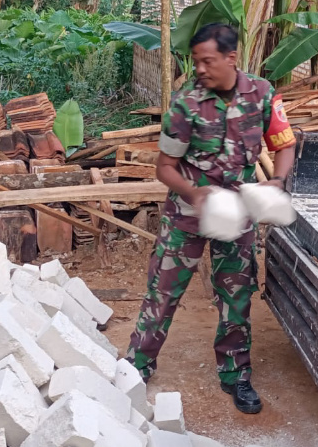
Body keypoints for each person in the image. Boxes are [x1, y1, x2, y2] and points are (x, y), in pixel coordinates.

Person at [126, 23, 298, 413]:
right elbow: (164, 167)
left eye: (207, 61)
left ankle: (236, 376)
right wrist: (192, 192)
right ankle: (136, 366)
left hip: (237, 216)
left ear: (231, 58)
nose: (200, 68)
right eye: (196, 61)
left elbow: (285, 144)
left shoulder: (262, 95)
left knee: (236, 297)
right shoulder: (186, 103)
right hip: (186, 214)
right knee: (163, 292)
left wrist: (277, 180)